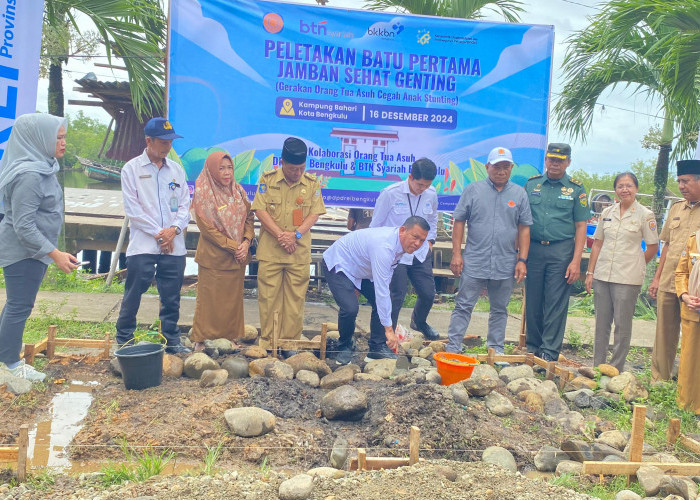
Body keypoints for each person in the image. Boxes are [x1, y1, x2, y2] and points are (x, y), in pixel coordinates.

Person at [0, 113, 79, 381]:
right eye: (57, 138)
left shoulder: (44, 166)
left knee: (18, 305)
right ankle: (9, 366)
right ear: (38, 139)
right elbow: (23, 226)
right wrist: (55, 254)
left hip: (35, 251)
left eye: (64, 137)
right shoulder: (29, 175)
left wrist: (54, 250)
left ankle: (5, 360)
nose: (63, 143)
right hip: (22, 252)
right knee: (19, 305)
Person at [115, 118, 191, 354]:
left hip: (174, 245)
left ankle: (171, 339)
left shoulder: (176, 170)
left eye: (170, 142)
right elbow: (133, 211)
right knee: (134, 292)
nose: (167, 147)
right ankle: (125, 338)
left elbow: (185, 206)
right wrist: (160, 234)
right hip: (144, 245)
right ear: (148, 141)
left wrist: (174, 231)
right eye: (163, 142)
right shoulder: (131, 169)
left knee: (171, 296)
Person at [446, 147, 532, 354]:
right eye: (497, 167)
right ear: (487, 167)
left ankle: (496, 349)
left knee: (500, 309)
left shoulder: (519, 194)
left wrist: (522, 260)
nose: (501, 171)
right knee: (464, 305)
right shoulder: (473, 190)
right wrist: (457, 254)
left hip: (506, 262)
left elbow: (524, 228)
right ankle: (453, 346)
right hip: (475, 260)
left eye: (506, 167)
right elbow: (459, 222)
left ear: (511, 168)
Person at [251, 137, 326, 356]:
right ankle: (269, 341)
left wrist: (296, 235)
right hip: (271, 251)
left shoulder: (311, 183)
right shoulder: (267, 180)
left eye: (301, 168)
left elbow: (315, 213)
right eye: (293, 168)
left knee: (295, 300)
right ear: (282, 163)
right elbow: (260, 210)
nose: (297, 172)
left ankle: (290, 343)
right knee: (268, 298)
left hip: (298, 251)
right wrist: (281, 236)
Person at [323, 216, 430, 364]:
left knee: (387, 301)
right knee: (350, 308)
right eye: (415, 237)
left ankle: (376, 348)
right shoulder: (384, 247)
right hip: (341, 264)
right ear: (402, 230)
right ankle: (344, 346)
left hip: (364, 269)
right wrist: (389, 330)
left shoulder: (401, 244)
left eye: (422, 240)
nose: (417, 243)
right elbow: (382, 290)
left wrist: (387, 326)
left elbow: (384, 290)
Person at [585, 172, 659, 372]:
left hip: (628, 278)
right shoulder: (607, 212)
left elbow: (652, 246)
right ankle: (597, 366)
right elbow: (597, 243)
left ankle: (616, 368)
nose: (624, 189)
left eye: (628, 185)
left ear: (636, 188)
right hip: (602, 275)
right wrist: (590, 273)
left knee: (622, 325)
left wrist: (637, 262)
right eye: (620, 186)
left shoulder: (645, 215)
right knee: (601, 323)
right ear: (615, 189)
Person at [525, 143, 589, 362]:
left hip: (561, 250)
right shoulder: (532, 185)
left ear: (568, 162)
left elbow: (581, 227)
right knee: (533, 299)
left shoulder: (576, 189)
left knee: (555, 302)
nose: (554, 164)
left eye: (560, 160)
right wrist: (520, 256)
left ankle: (550, 352)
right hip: (533, 249)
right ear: (545, 160)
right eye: (551, 159)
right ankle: (533, 348)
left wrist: (576, 261)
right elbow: (523, 223)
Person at [190, 151, 255, 352]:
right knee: (208, 300)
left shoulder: (239, 191)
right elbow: (207, 229)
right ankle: (200, 339)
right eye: (221, 168)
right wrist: (234, 246)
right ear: (211, 170)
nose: (227, 173)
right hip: (213, 257)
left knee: (232, 301)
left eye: (229, 168)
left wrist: (246, 241)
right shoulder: (203, 194)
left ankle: (229, 337)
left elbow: (249, 218)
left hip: (237, 258)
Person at [369, 158, 440, 341]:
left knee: (428, 293)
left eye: (427, 185)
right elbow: (375, 226)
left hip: (420, 252)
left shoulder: (431, 194)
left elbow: (432, 220)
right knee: (396, 296)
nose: (422, 189)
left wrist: (430, 241)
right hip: (395, 253)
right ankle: (385, 337)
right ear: (410, 177)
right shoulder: (390, 194)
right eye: (419, 185)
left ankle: (419, 321)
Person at [648, 159, 700, 381]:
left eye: (686, 181)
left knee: (693, 336)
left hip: (695, 285)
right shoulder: (677, 208)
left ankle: (689, 383)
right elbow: (666, 245)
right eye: (679, 181)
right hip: (669, 280)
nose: (681, 186)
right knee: (664, 334)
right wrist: (656, 278)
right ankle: (659, 380)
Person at [674, 230, 700, 414]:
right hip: (692, 309)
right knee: (689, 359)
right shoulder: (694, 240)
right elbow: (681, 272)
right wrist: (684, 295)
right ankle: (686, 405)